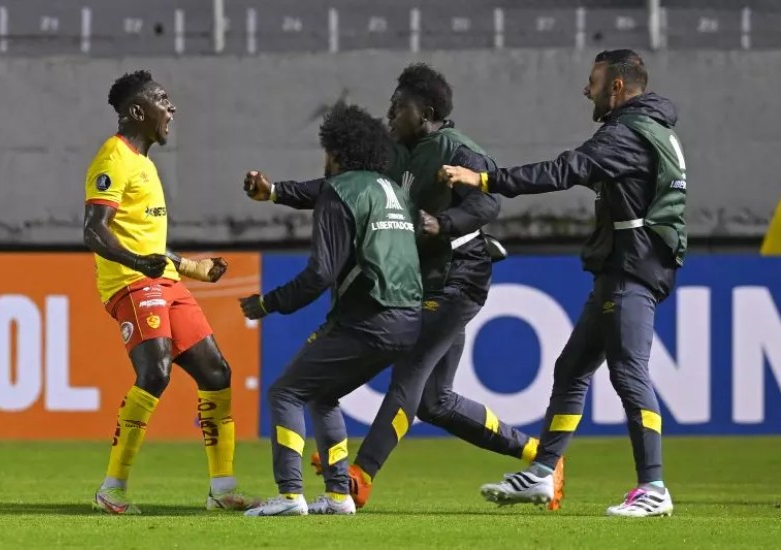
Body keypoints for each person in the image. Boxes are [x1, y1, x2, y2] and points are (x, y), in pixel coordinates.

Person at [244, 63, 564, 511]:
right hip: (424, 278)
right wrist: (277, 191)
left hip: (459, 276)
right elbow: (343, 185)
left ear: (427, 110)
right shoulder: (395, 152)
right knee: (435, 401)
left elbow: (488, 201)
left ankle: (361, 475)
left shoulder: (457, 149)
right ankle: (539, 455)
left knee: (409, 369)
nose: (391, 111)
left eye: (400, 105)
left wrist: (444, 223)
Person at [440, 49, 686, 518]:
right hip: (625, 267)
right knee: (572, 369)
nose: (585, 89)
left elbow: (561, 171)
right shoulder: (654, 128)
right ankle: (542, 471)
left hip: (631, 270)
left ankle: (653, 487)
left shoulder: (624, 135)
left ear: (616, 86)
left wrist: (484, 179)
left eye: (592, 81)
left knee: (628, 373)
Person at [83, 70, 254, 515]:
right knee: (155, 372)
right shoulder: (113, 158)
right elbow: (93, 232)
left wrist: (194, 268)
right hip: (129, 283)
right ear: (137, 111)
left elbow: (150, 246)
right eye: (162, 100)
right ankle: (111, 488)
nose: (171, 108)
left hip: (165, 282)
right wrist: (140, 266)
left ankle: (222, 489)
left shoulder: (145, 164)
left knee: (217, 372)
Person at [239, 102, 422, 516]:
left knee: (284, 393)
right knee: (324, 396)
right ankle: (339, 495)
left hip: (369, 318)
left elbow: (320, 275)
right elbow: (317, 191)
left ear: (336, 152)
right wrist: (275, 192)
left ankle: (289, 496)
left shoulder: (338, 193)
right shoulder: (392, 190)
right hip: (408, 320)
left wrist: (269, 303)